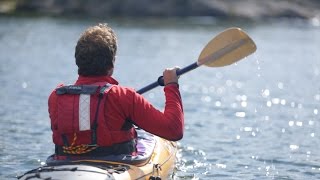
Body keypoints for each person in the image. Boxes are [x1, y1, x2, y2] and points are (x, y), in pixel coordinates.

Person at [48, 23, 184, 157]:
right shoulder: (123, 97)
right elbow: (174, 130)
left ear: (78, 61)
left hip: (64, 167)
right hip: (115, 168)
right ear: (112, 63)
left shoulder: (56, 96)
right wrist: (171, 85)